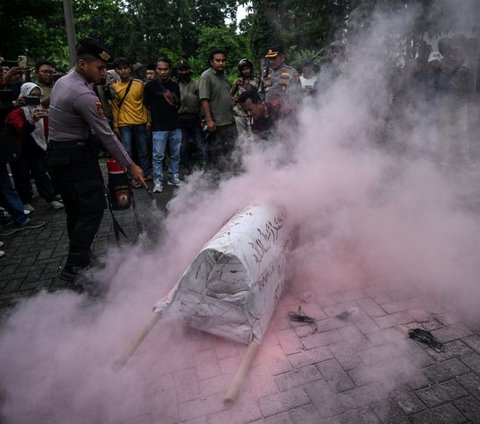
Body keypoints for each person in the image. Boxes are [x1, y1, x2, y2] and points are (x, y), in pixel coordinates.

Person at [46, 38, 146, 283]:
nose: (104, 74)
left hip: (59, 156)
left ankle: (82, 258)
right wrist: (130, 165)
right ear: (82, 64)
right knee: (91, 211)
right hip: (75, 159)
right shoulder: (82, 93)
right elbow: (106, 134)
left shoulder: (63, 81)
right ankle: (75, 266)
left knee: (76, 211)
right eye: (100, 69)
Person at [6, 82, 63, 211]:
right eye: (32, 96)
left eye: (37, 96)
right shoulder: (16, 111)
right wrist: (32, 120)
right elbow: (20, 129)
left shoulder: (40, 107)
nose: (35, 99)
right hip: (21, 149)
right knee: (22, 176)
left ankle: (50, 198)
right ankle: (25, 201)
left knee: (41, 173)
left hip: (38, 147)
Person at [143, 56, 181, 193]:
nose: (163, 72)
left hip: (175, 125)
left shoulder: (175, 85)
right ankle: (158, 180)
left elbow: (178, 103)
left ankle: (173, 176)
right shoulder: (149, 87)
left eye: (165, 69)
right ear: (156, 70)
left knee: (175, 154)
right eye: (160, 69)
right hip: (158, 127)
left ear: (170, 70)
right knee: (158, 156)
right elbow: (146, 105)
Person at [111, 57, 151, 186]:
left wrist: (148, 121)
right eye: (120, 69)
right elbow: (115, 108)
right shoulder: (114, 87)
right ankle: (131, 177)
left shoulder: (139, 84)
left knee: (143, 151)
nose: (123, 71)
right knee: (127, 152)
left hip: (140, 121)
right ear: (116, 71)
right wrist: (116, 126)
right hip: (124, 123)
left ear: (129, 69)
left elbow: (145, 104)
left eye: (125, 68)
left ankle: (145, 174)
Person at [199, 48, 237, 173]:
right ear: (211, 62)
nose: (221, 63)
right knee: (217, 154)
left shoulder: (224, 76)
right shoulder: (206, 76)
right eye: (218, 60)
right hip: (217, 123)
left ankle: (230, 178)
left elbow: (225, 94)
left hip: (229, 121)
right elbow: (204, 99)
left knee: (232, 151)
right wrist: (209, 120)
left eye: (223, 61)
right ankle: (217, 183)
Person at [176, 59, 204, 173]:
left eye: (185, 69)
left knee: (199, 144)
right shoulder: (175, 85)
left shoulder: (196, 84)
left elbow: (202, 101)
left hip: (195, 118)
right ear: (177, 71)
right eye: (181, 70)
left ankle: (202, 168)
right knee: (182, 146)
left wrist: (203, 118)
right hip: (180, 119)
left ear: (189, 70)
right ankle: (186, 168)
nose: (183, 72)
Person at [231, 58, 261, 137]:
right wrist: (235, 85)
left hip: (251, 113)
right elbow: (231, 94)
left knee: (252, 136)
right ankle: (243, 149)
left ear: (251, 68)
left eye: (247, 68)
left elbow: (254, 93)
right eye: (243, 69)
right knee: (242, 137)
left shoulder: (257, 79)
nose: (246, 71)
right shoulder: (238, 81)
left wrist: (243, 84)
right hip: (239, 113)